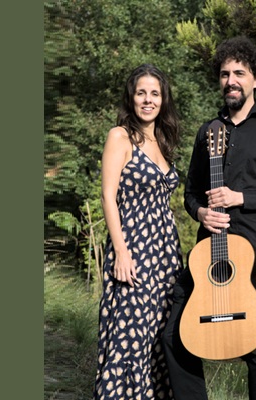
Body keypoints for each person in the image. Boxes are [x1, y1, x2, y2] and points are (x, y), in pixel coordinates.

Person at [162, 36, 256, 400]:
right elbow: (191, 192)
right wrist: (200, 212)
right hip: (209, 252)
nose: (231, 81)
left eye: (239, 73)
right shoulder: (208, 131)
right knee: (174, 334)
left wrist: (241, 198)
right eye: (225, 74)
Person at [94, 64, 183, 400]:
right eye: (141, 93)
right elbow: (108, 195)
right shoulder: (120, 136)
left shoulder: (163, 140)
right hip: (133, 249)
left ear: (163, 99)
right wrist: (121, 252)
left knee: (158, 341)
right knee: (128, 338)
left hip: (165, 256)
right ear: (131, 98)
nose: (148, 100)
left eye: (155, 94)